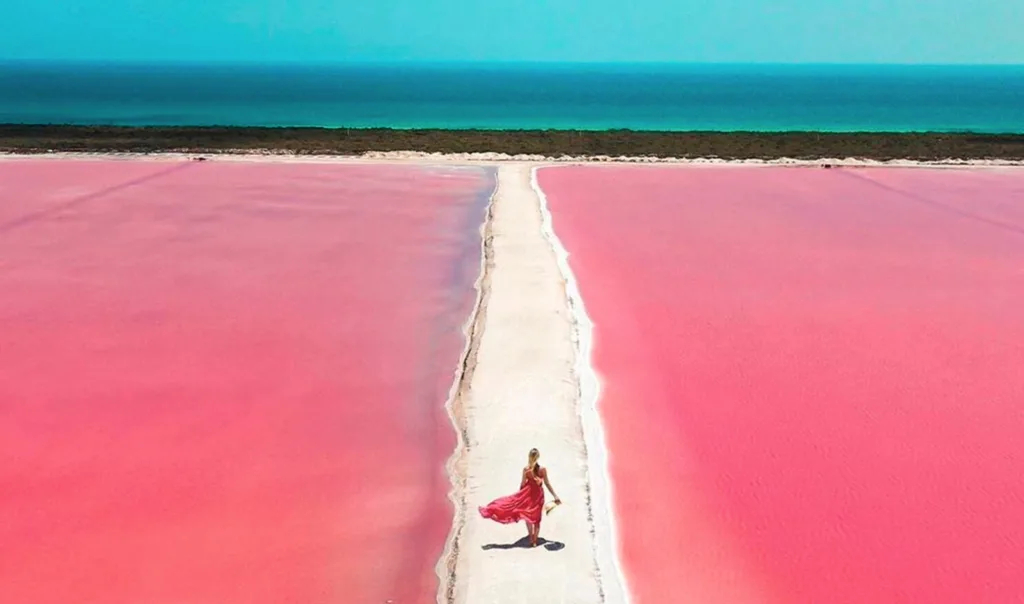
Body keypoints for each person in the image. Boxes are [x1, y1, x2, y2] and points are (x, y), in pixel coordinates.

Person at [478, 448, 561, 547]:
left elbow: (522, 484)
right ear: (538, 457)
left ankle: (531, 537)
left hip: (527, 495)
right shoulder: (542, 470)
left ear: (529, 457)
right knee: (537, 518)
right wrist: (555, 495)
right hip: (538, 496)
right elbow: (547, 483)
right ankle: (534, 541)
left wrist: (519, 496)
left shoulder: (526, 470)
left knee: (527, 515)